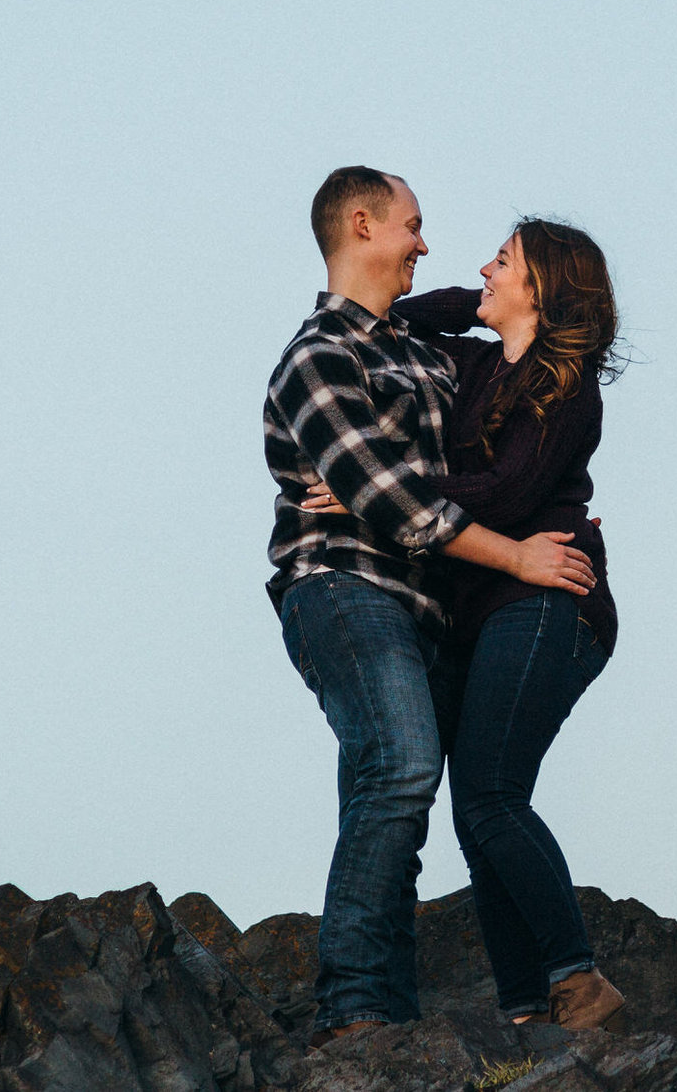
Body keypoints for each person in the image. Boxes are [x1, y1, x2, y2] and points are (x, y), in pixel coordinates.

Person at [266, 169, 596, 1043]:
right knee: (406, 766)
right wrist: (517, 549)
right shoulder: (316, 358)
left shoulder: (430, 357)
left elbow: (501, 459)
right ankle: (358, 1007)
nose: (426, 243)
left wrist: (551, 508)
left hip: (429, 607)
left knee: (393, 790)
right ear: (364, 223)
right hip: (343, 584)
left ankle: (391, 1016)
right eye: (413, 226)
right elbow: (402, 504)